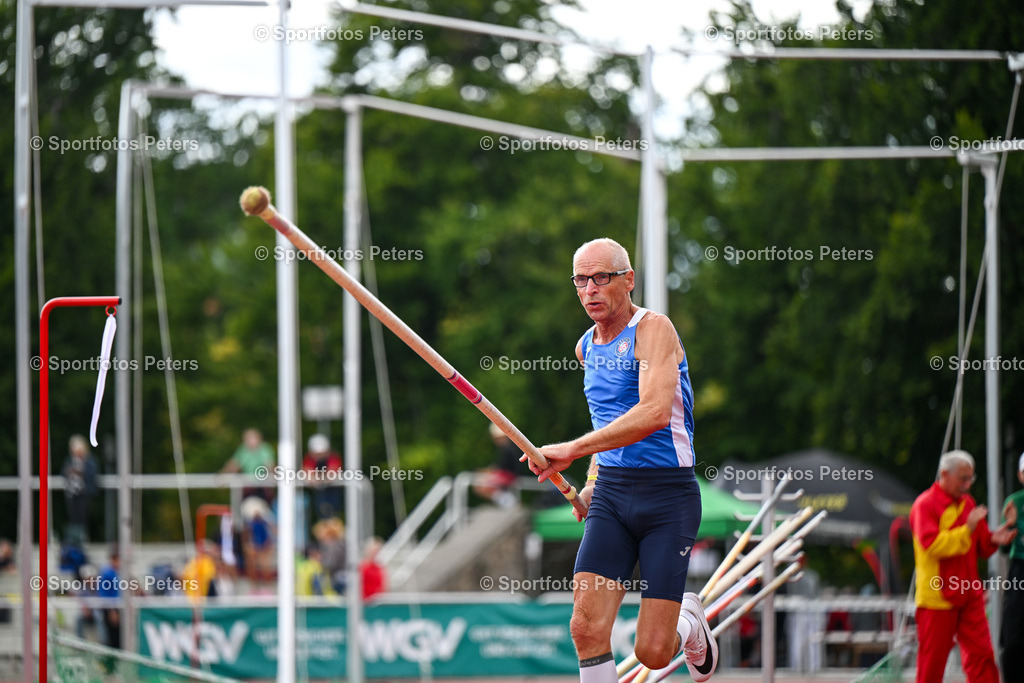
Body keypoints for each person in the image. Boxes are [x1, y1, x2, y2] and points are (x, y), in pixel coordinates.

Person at [522, 238, 717, 682]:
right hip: (611, 493)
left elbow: (650, 413)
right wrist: (590, 480)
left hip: (668, 498)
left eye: (601, 278)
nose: (589, 289)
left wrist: (571, 450)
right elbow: (605, 421)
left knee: (652, 652)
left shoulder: (654, 330)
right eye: (580, 280)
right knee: (585, 628)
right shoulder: (585, 348)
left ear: (628, 280)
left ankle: (688, 619)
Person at [909, 450, 1015, 683]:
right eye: (963, 478)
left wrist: (994, 538)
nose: (967, 484)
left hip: (969, 595)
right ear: (944, 474)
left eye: (971, 479)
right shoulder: (924, 505)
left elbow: (981, 544)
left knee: (983, 656)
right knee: (932, 664)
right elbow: (932, 546)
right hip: (937, 597)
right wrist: (967, 529)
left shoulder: (967, 503)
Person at [1000, 451, 1024, 679]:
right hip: (1020, 569)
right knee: (1014, 636)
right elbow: (1003, 549)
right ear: (1020, 474)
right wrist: (1010, 526)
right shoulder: (1014, 502)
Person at [473, 423, 520, 508]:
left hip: (509, 475)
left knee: (482, 485)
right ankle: (505, 500)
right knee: (482, 484)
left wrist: (488, 471)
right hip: (508, 474)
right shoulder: (507, 448)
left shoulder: (507, 449)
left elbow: (503, 467)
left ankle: (508, 501)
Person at [221, 428, 275, 501]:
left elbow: (270, 467)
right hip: (248, 487)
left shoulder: (265, 449)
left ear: (258, 438)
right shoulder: (243, 450)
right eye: (246, 439)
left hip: (262, 487)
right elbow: (233, 465)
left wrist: (271, 481)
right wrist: (221, 476)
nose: (248, 441)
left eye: (251, 438)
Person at [63, 435, 98, 544]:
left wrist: (81, 473)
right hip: (72, 492)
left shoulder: (89, 461)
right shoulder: (70, 461)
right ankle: (74, 539)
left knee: (83, 516)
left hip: (84, 493)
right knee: (73, 516)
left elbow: (92, 474)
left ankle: (82, 539)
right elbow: (63, 473)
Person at [303, 434, 343, 520]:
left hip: (333, 494)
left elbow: (332, 473)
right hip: (319, 495)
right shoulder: (309, 459)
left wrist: (318, 478)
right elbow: (308, 472)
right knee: (321, 516)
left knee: (334, 516)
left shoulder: (333, 458)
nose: (319, 456)